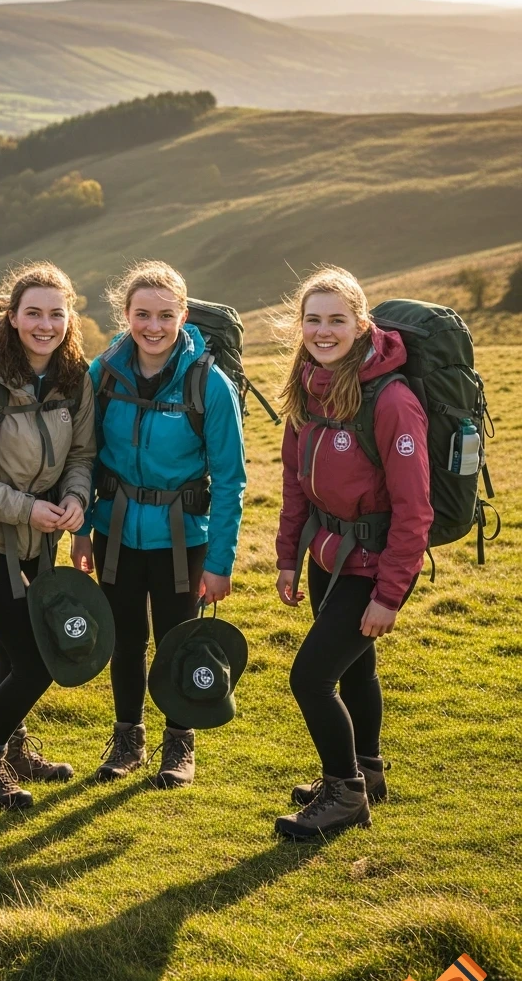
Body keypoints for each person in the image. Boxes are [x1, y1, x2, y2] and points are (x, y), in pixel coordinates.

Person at [72, 260, 246, 788]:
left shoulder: (209, 385)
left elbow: (231, 480)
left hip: (182, 538)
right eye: (142, 314)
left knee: (178, 640)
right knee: (124, 639)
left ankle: (179, 744)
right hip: (116, 531)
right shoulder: (103, 374)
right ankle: (128, 739)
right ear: (125, 316)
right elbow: (86, 455)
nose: (153, 326)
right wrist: (81, 531)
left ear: (183, 315)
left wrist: (219, 563)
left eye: (165, 315)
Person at [273, 266, 432, 839]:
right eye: (312, 320)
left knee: (310, 679)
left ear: (361, 324)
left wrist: (390, 595)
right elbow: (295, 483)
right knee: (356, 670)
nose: (323, 331)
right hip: (326, 558)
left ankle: (344, 794)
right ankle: (368, 771)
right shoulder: (308, 385)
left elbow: (415, 511)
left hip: (371, 565)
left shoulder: (391, 401)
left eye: (336, 320)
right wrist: (288, 556)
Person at [0, 262, 95, 808]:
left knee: (14, 652)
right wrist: (27, 509)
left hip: (43, 539)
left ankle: (14, 749)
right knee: (38, 657)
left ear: (69, 318)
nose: (45, 324)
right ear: (11, 317)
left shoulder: (74, 377)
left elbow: (81, 455)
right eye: (32, 312)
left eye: (56, 313)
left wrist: (76, 499)